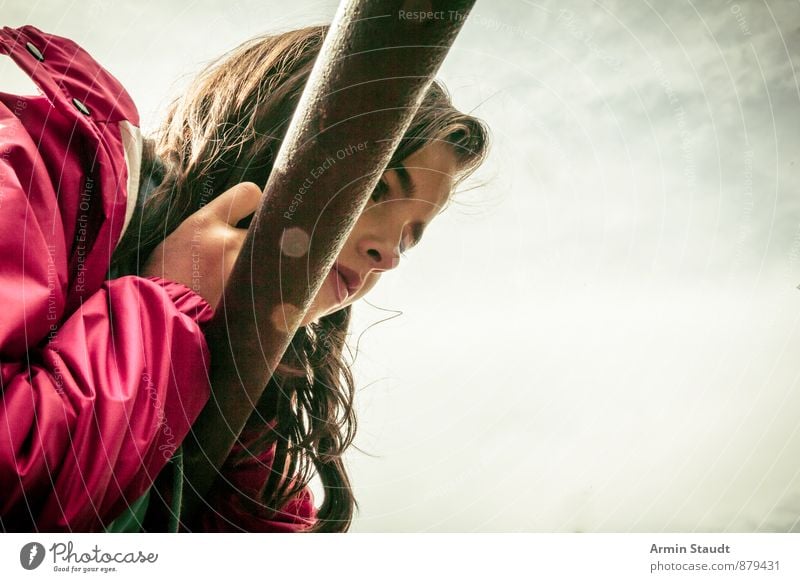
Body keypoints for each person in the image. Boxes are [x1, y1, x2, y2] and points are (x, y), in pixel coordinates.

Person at [0, 23, 488, 533]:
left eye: (409, 239)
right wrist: (171, 300)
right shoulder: (32, 168)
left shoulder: (251, 399)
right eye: (376, 189)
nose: (387, 253)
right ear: (279, 140)